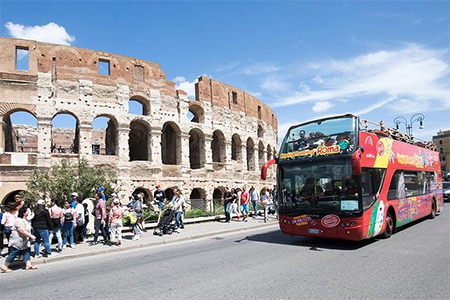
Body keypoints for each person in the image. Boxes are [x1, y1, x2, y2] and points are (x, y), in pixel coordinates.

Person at [1, 201, 37, 273]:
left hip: (23, 240)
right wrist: (31, 236)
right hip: (17, 240)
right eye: (27, 211)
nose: (28, 212)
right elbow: (22, 230)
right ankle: (5, 266)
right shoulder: (19, 220)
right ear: (24, 213)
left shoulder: (24, 220)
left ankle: (28, 264)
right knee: (14, 252)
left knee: (26, 251)